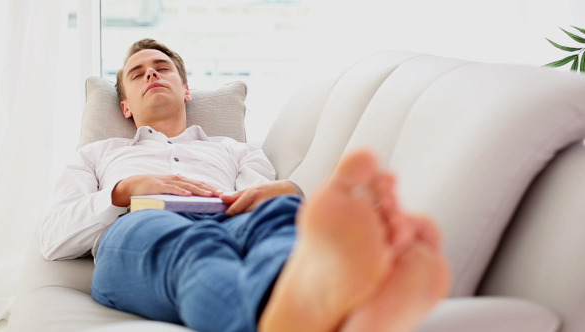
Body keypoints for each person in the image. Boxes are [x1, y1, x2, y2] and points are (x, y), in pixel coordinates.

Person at [39, 38, 450, 332]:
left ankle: (316, 294)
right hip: (139, 227)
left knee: (281, 213)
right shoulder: (97, 154)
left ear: (185, 91)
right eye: (138, 73)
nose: (151, 74)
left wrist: (284, 193)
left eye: (162, 68)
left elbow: (259, 199)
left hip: (230, 218)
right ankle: (293, 314)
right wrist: (124, 191)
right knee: (196, 247)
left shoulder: (236, 150)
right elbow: (53, 238)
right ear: (125, 106)